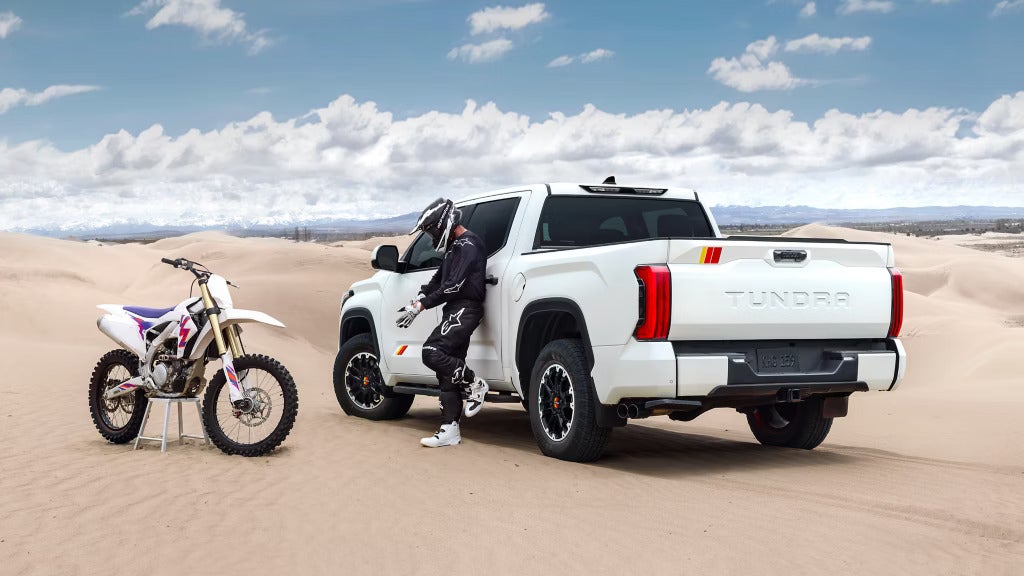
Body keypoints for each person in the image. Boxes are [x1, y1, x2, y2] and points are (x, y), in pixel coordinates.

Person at [396, 197, 489, 447]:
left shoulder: (468, 245)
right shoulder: (455, 246)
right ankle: (450, 430)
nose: (430, 236)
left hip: (466, 309)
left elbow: (454, 285)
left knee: (431, 351)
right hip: (455, 309)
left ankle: (474, 383)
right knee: (446, 374)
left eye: (431, 230)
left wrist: (422, 306)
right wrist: (420, 295)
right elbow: (439, 279)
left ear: (444, 224)